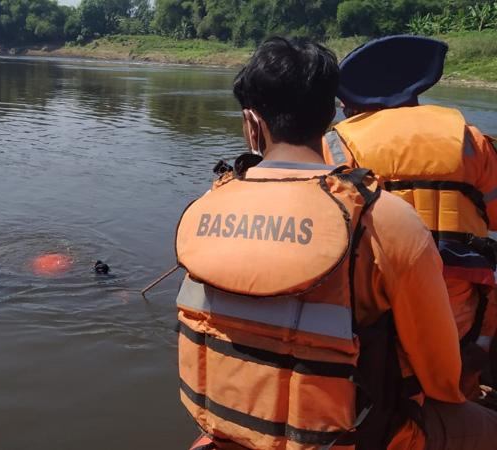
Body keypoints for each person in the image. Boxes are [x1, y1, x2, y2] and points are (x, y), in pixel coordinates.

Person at [173, 36, 497, 450]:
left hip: (226, 425)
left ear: (252, 123)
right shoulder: (387, 221)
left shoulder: (204, 206)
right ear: (330, 114)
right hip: (353, 436)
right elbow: (440, 377)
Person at [324, 35, 497, 399]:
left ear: (353, 103)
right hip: (464, 319)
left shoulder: (336, 146)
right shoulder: (473, 142)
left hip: (377, 322)